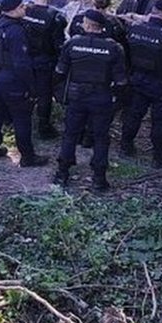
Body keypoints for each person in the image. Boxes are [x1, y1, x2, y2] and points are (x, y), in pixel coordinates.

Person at [53, 10, 127, 190]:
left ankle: (62, 174)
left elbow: (60, 72)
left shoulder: (73, 44)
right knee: (101, 138)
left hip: (76, 96)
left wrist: (59, 93)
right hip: (102, 97)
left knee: (70, 134)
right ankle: (99, 179)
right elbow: (121, 81)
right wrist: (119, 101)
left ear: (87, 24)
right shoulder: (114, 48)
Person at [119, 0, 162, 166]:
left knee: (134, 115)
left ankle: (125, 145)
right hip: (161, 84)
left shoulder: (135, 29)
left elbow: (126, 54)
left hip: (137, 79)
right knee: (160, 121)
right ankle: (160, 157)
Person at [0, 0, 46, 166]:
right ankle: (28, 156)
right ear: (14, 10)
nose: (25, 9)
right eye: (22, 6)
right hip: (12, 78)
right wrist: (31, 88)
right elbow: (22, 64)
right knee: (21, 117)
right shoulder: (16, 31)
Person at [24, 0, 68, 138]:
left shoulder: (25, 10)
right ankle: (43, 127)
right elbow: (58, 43)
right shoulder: (54, 16)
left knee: (26, 90)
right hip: (45, 60)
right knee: (44, 94)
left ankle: (22, 121)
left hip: (26, 57)